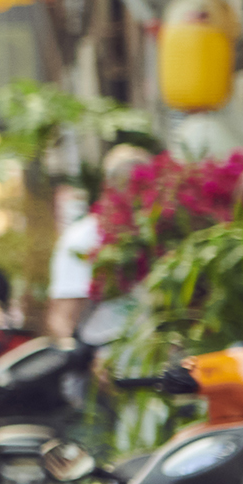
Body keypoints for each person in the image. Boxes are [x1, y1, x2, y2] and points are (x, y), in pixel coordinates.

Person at [43, 144, 148, 340]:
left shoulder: (162, 231)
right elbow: (63, 317)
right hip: (103, 357)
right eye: (129, 182)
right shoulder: (82, 238)